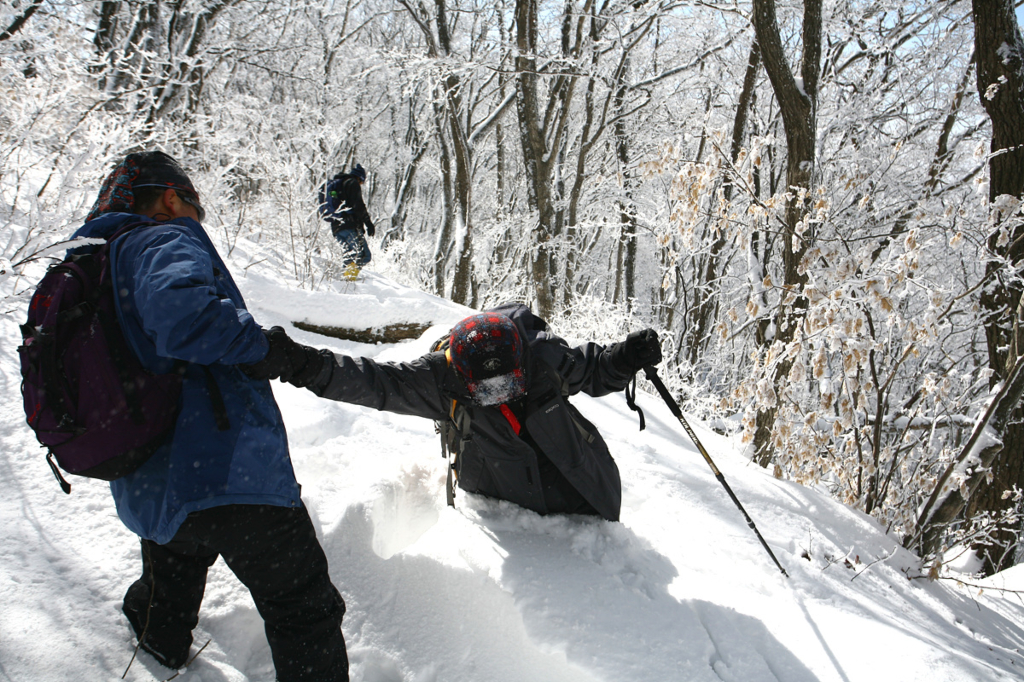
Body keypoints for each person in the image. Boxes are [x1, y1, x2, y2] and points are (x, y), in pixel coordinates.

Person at [73, 151, 348, 681]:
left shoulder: (96, 264)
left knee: (173, 568)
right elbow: (185, 317)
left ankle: (157, 649)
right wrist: (264, 347)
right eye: (196, 208)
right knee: (302, 605)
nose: (199, 221)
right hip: (227, 468)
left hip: (147, 473)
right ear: (172, 198)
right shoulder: (163, 237)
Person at [243, 303, 663, 521]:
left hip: (586, 491)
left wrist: (627, 355)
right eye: (486, 389)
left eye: (509, 384)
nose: (500, 396)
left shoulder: (543, 357)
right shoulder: (441, 378)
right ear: (462, 376)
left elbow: (595, 369)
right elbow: (375, 382)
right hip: (507, 507)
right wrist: (303, 363)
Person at [318, 164, 375, 280]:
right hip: (349, 225)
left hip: (336, 227)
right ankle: (347, 281)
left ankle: (345, 279)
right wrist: (368, 223)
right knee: (362, 255)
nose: (360, 185)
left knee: (351, 255)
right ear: (360, 178)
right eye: (361, 182)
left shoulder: (339, 185)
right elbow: (358, 204)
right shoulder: (352, 183)